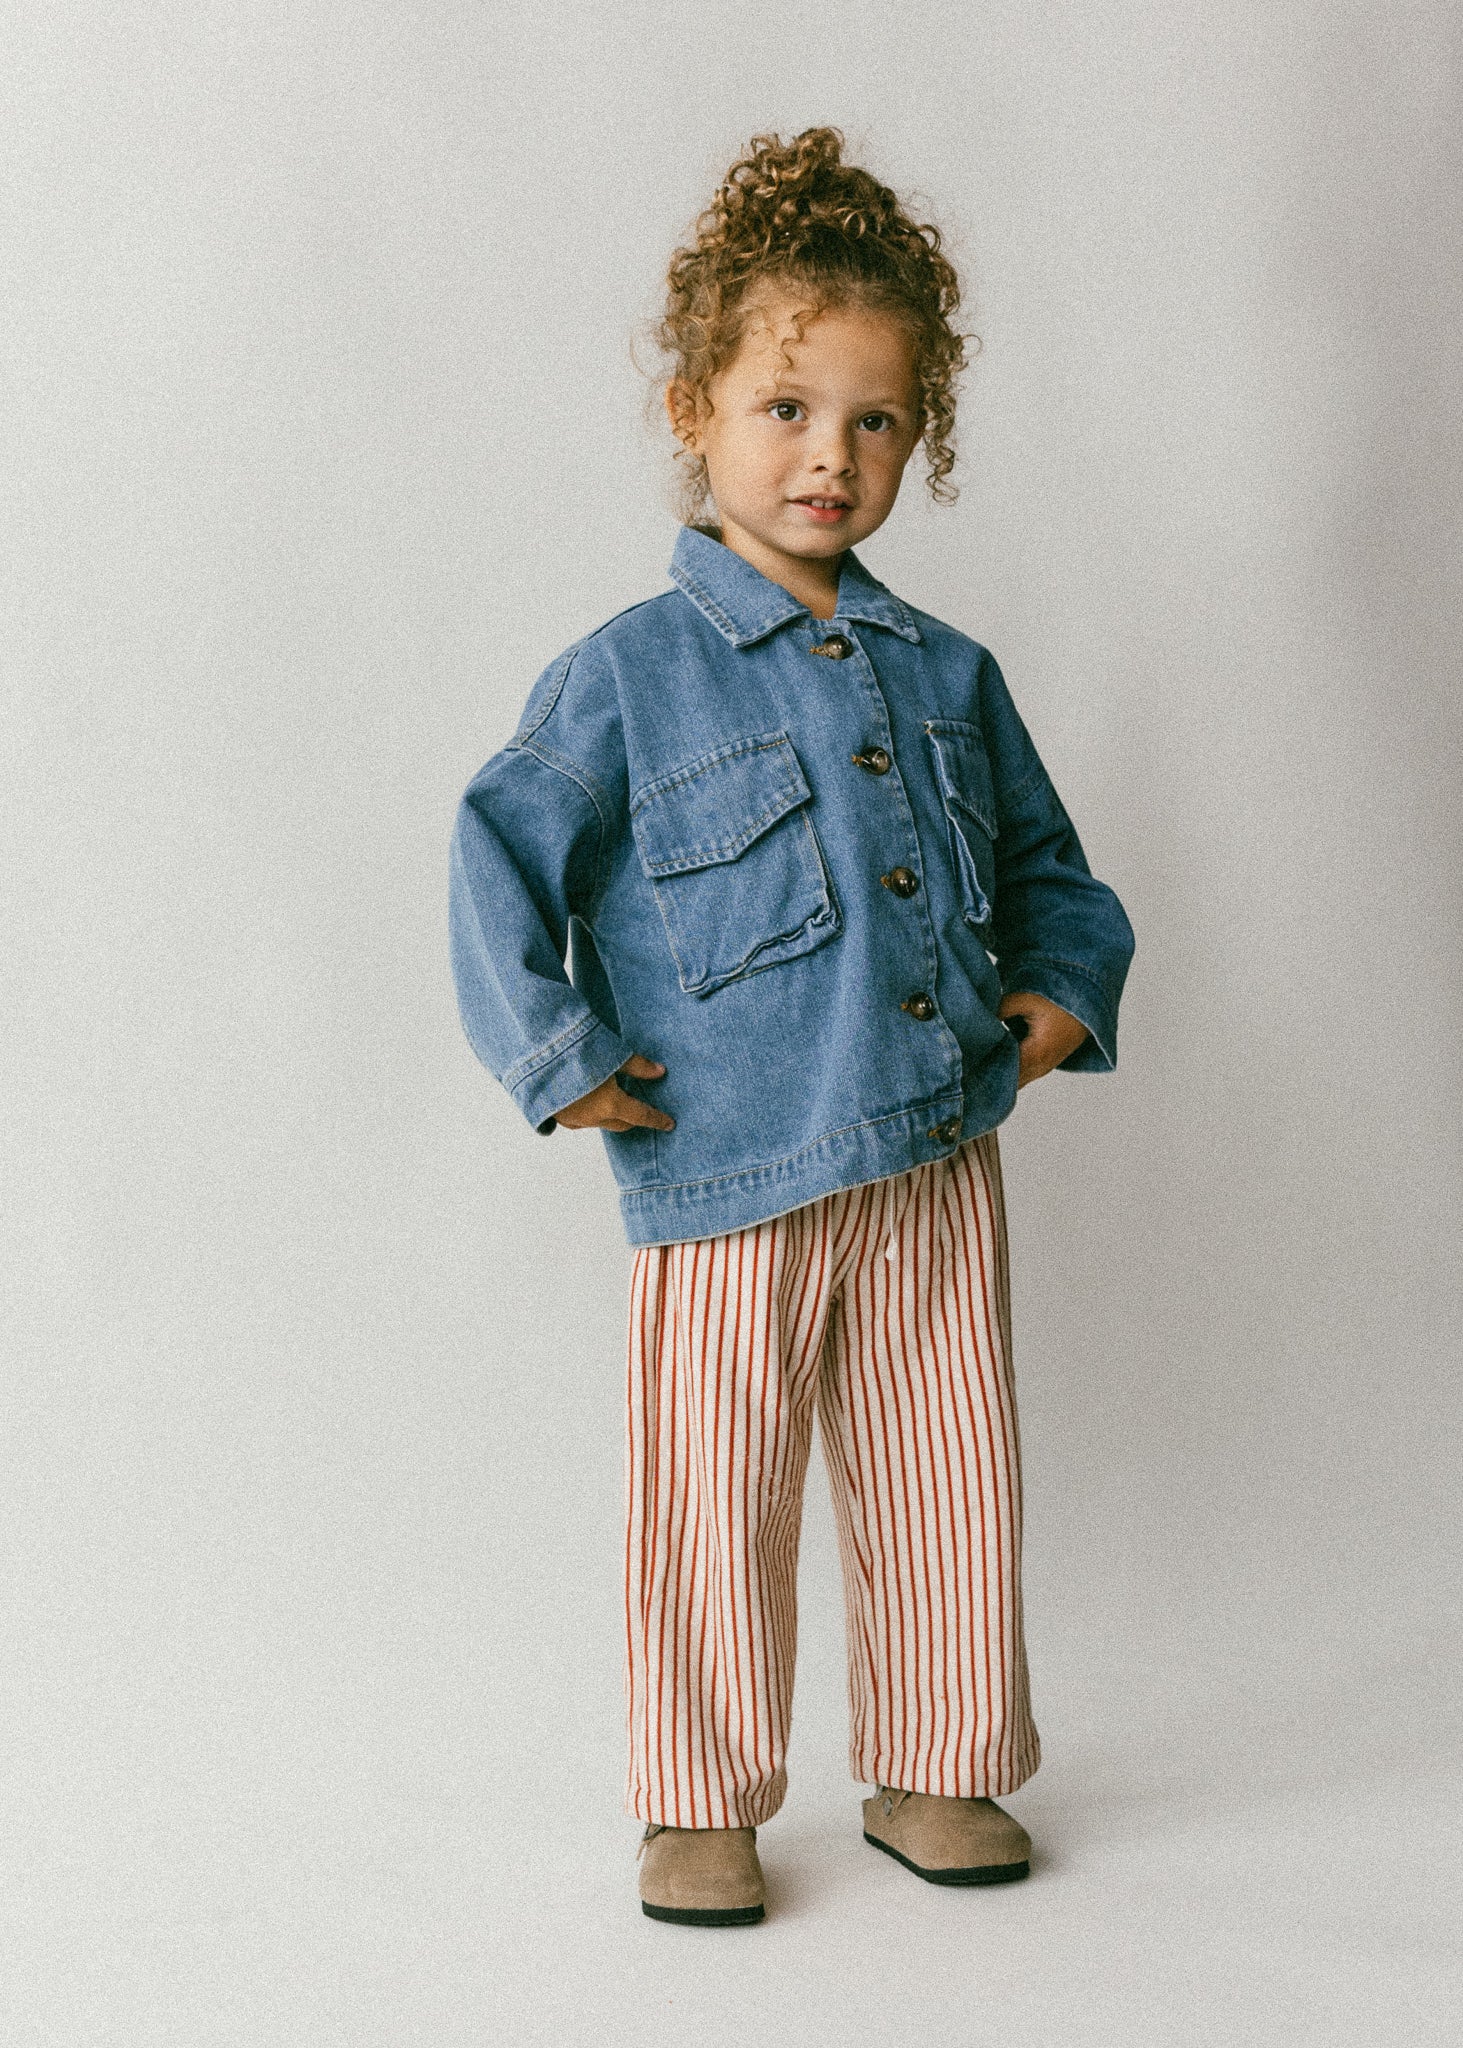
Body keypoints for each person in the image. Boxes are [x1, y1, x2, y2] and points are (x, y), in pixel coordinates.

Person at [449, 127, 1134, 1927]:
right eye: (786, 408)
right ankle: (698, 1798)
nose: (831, 454)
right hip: (724, 1167)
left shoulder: (951, 675)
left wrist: (1056, 1001)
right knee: (712, 1499)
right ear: (695, 412)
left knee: (946, 1469)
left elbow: (1053, 873)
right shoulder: (624, 675)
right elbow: (497, 854)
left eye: (876, 420)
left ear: (921, 437)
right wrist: (559, 1058)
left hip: (933, 1151)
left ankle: (936, 1761)